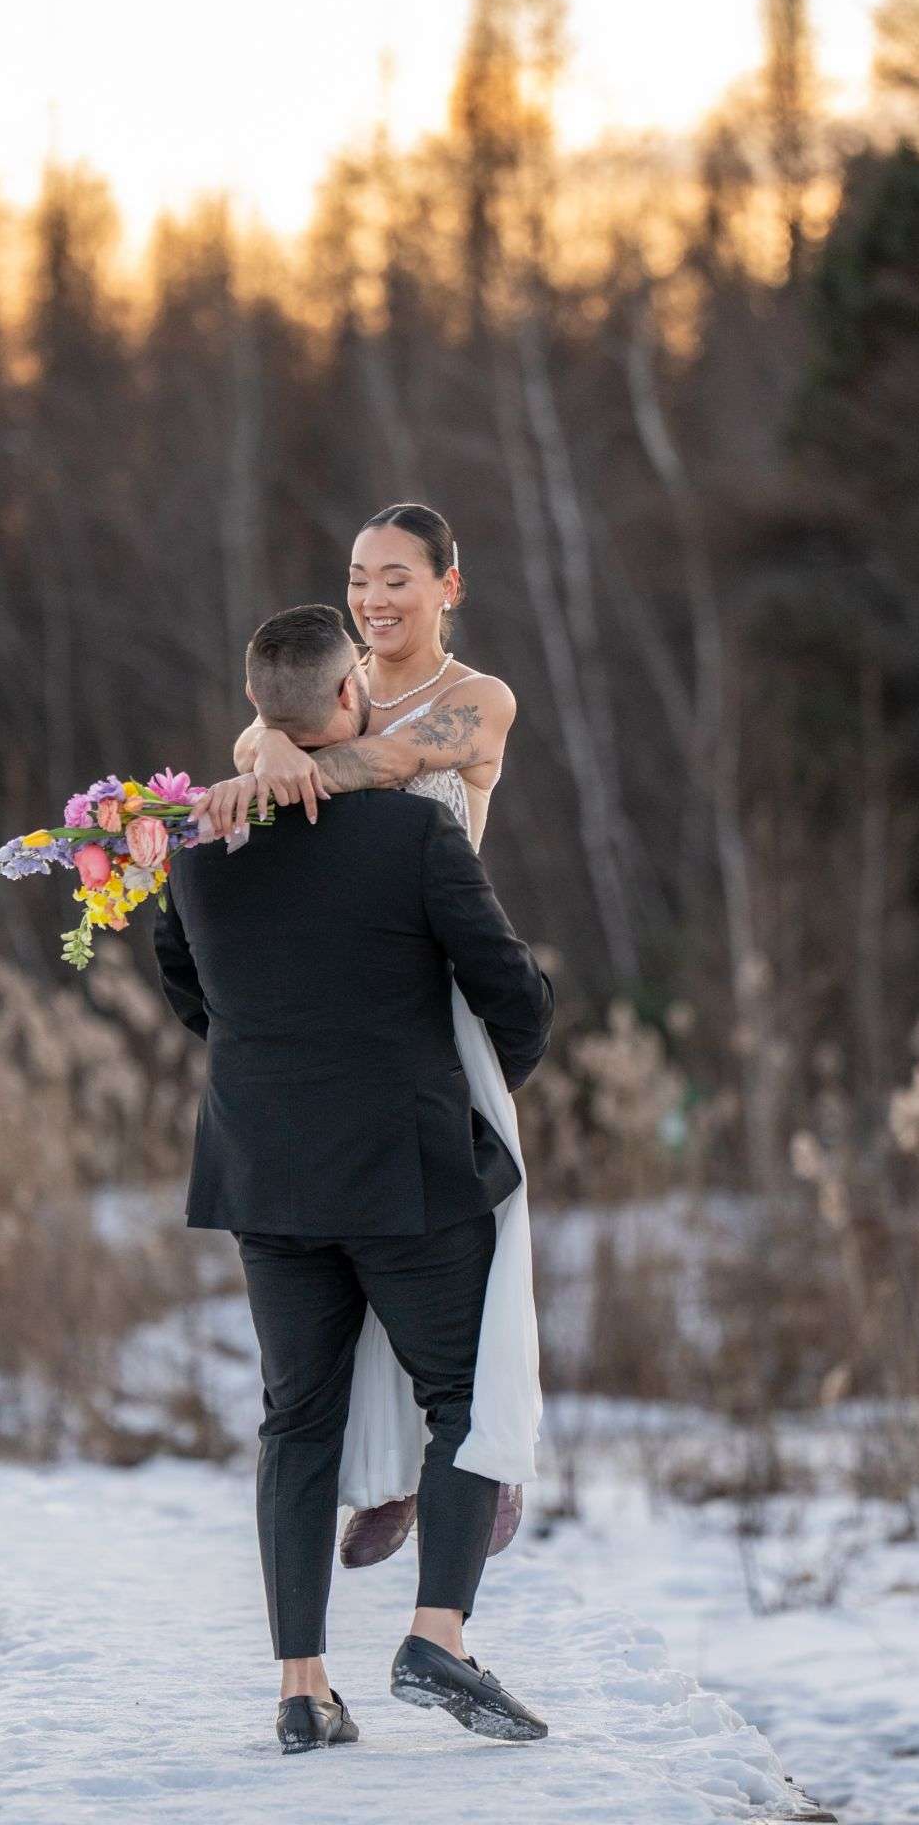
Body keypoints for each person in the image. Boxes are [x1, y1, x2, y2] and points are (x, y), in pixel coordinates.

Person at [153, 603, 554, 1752]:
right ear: (349, 697)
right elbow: (513, 994)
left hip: (266, 1171)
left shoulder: (194, 846)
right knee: (462, 1397)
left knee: (295, 1420)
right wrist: (475, 1083)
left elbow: (188, 993)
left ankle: (301, 1689)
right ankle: (435, 1636)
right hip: (406, 1167)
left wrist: (279, 1068)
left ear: (255, 711)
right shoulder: (412, 835)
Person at [206, 503, 537, 1569]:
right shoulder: (323, 688)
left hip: (441, 992)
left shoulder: (478, 701)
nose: (372, 599)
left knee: (469, 1238)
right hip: (346, 1001)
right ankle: (387, 1472)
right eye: (358, 578)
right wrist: (268, 741)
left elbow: (387, 765)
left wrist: (280, 753)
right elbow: (267, 739)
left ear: (448, 585)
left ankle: (483, 1456)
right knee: (354, 1235)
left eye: (397, 577)